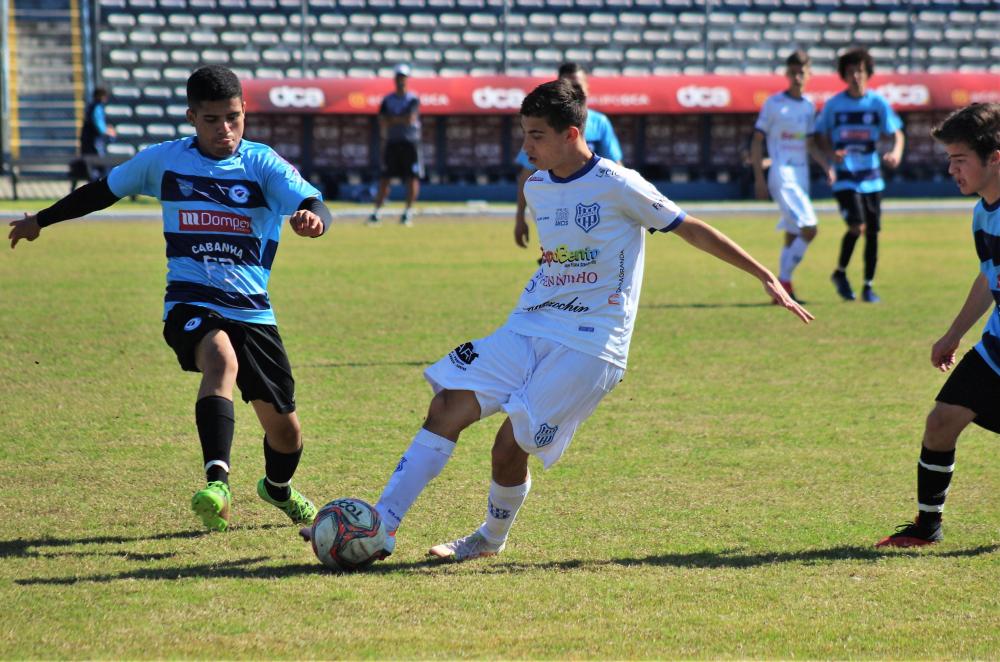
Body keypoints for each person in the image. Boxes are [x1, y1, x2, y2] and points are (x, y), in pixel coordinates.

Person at [321, 79, 812, 563]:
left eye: (536, 135)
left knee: (509, 445)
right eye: (524, 134)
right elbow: (561, 251)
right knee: (447, 406)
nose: (526, 146)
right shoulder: (537, 185)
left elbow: (692, 230)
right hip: (530, 324)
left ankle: (489, 538)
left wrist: (764, 274)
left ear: (571, 134)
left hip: (593, 342)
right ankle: (380, 525)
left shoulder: (619, 184)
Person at [8, 65, 331, 532]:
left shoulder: (262, 164)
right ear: (191, 117)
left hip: (252, 310)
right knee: (220, 359)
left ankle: (276, 489)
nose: (225, 129)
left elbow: (313, 202)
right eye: (212, 120)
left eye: (234, 118)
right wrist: (42, 219)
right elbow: (103, 191)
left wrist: (312, 219)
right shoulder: (165, 161)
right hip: (189, 300)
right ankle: (217, 483)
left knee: (286, 432)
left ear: (245, 113)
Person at [876, 103, 1000, 548]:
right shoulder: (984, 213)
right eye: (949, 159)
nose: (951, 169)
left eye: (960, 159)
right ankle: (927, 528)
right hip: (995, 348)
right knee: (942, 421)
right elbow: (989, 277)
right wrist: (954, 333)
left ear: (995, 158)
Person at [814, 48, 905, 303]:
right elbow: (819, 135)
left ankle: (867, 286)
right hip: (845, 176)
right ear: (844, 75)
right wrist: (832, 152)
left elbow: (897, 133)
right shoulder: (834, 105)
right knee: (857, 226)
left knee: (873, 232)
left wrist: (896, 152)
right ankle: (841, 273)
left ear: (868, 74)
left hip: (872, 176)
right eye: (851, 71)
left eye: (860, 71)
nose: (856, 76)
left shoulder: (877, 103)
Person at [750, 50, 833, 303]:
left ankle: (782, 289)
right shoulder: (774, 104)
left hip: (801, 175)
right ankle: (782, 282)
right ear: (787, 74)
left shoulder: (808, 106)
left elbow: (808, 144)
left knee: (792, 233)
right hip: (782, 174)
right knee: (810, 228)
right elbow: (756, 140)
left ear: (809, 74)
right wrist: (759, 179)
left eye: (802, 72)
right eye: (793, 72)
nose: (798, 77)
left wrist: (826, 166)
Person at [513, 62, 623, 251]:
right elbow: (526, 174)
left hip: (595, 209)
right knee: (560, 263)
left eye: (578, 86)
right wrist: (520, 217)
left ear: (587, 88)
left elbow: (616, 166)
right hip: (558, 209)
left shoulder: (599, 123)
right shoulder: (546, 125)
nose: (573, 92)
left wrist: (626, 201)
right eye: (568, 85)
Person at [367, 64, 422, 227]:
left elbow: (409, 119)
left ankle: (408, 212)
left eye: (403, 77)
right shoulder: (388, 99)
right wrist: (397, 119)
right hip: (392, 142)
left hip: (409, 143)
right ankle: (377, 212)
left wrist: (393, 119)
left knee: (412, 178)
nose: (401, 80)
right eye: (398, 77)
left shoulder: (412, 98)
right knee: (385, 178)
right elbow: (383, 120)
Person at [80, 87, 117, 182]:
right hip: (93, 144)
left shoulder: (91, 106)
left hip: (88, 142)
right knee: (100, 167)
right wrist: (109, 131)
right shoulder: (96, 107)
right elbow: (99, 127)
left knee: (93, 168)